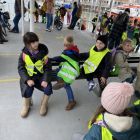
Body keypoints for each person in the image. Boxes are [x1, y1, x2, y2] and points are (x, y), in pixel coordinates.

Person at [18, 32, 52, 118]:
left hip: (40, 77)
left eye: (37, 41)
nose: (36, 43)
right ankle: (26, 105)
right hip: (29, 77)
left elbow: (48, 68)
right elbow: (21, 68)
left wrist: (45, 79)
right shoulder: (23, 55)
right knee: (27, 89)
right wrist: (27, 79)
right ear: (27, 44)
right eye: (33, 42)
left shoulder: (43, 53)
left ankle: (44, 104)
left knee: (48, 88)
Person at [51, 35, 80, 110]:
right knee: (64, 79)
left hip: (68, 70)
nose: (65, 46)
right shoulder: (75, 50)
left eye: (66, 45)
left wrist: (50, 59)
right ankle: (71, 100)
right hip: (73, 70)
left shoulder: (68, 53)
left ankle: (61, 82)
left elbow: (59, 58)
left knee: (63, 81)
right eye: (65, 44)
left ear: (71, 44)